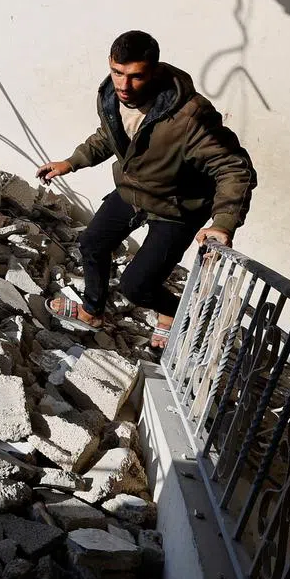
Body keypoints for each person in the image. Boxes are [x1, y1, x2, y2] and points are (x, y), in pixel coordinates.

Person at [36, 30, 256, 351]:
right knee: (92, 244)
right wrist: (71, 162)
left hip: (177, 206)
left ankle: (172, 312)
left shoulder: (190, 116)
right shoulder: (110, 95)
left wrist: (223, 223)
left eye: (136, 76)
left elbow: (234, 168)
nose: (124, 85)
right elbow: (108, 136)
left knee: (137, 287)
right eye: (117, 72)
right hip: (133, 191)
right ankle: (93, 311)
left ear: (154, 71)